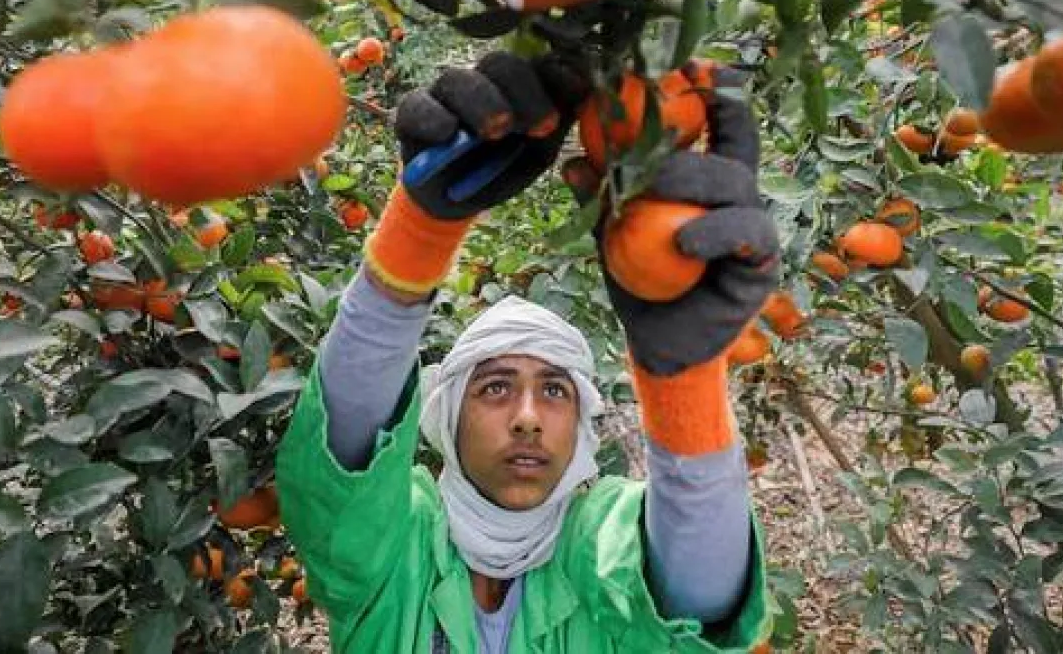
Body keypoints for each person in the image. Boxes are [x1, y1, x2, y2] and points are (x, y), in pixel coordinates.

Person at [275, 51, 779, 652]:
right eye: (493, 387)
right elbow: (340, 472)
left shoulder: (595, 547)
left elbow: (695, 601)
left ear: (583, 427)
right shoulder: (400, 550)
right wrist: (419, 231)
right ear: (447, 419)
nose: (527, 416)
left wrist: (684, 377)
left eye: (555, 390)